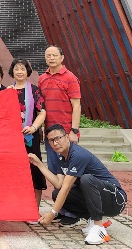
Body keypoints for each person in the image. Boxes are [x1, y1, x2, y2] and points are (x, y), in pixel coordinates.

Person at [29, 124, 127, 245]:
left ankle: (99, 227)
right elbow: (59, 184)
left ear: (67, 137)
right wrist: (39, 164)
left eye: (58, 138)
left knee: (87, 179)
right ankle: (92, 219)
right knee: (56, 193)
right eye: (51, 140)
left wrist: (53, 213)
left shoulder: (78, 155)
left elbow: (66, 187)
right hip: (99, 197)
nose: (55, 143)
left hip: (116, 199)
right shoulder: (61, 156)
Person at [8, 58, 47, 217]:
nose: (19, 72)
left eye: (22, 69)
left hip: (30, 138)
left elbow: (42, 112)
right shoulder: (8, 91)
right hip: (12, 140)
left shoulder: (34, 90)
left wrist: (33, 128)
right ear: (12, 72)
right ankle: (18, 209)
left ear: (27, 71)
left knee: (34, 170)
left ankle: (34, 211)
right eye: (16, 69)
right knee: (14, 173)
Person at [37, 46, 82, 179]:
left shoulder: (70, 78)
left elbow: (76, 106)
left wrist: (74, 131)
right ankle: (58, 193)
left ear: (62, 58)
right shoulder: (42, 78)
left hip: (66, 133)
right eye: (48, 56)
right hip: (50, 133)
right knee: (54, 170)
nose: (51, 58)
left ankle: (70, 193)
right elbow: (40, 106)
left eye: (54, 55)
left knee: (70, 172)